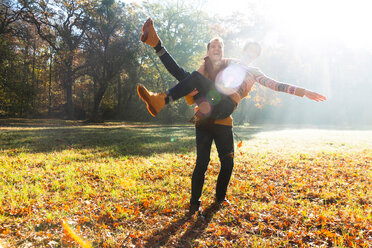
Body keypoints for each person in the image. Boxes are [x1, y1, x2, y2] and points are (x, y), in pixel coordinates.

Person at [138, 18, 326, 217]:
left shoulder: (253, 71)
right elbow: (186, 74)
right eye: (248, 50)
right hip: (204, 117)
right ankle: (194, 204)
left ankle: (220, 198)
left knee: (227, 163)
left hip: (224, 115)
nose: (250, 54)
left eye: (254, 53)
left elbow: (275, 84)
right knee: (201, 161)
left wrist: (303, 91)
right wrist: (192, 65)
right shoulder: (226, 64)